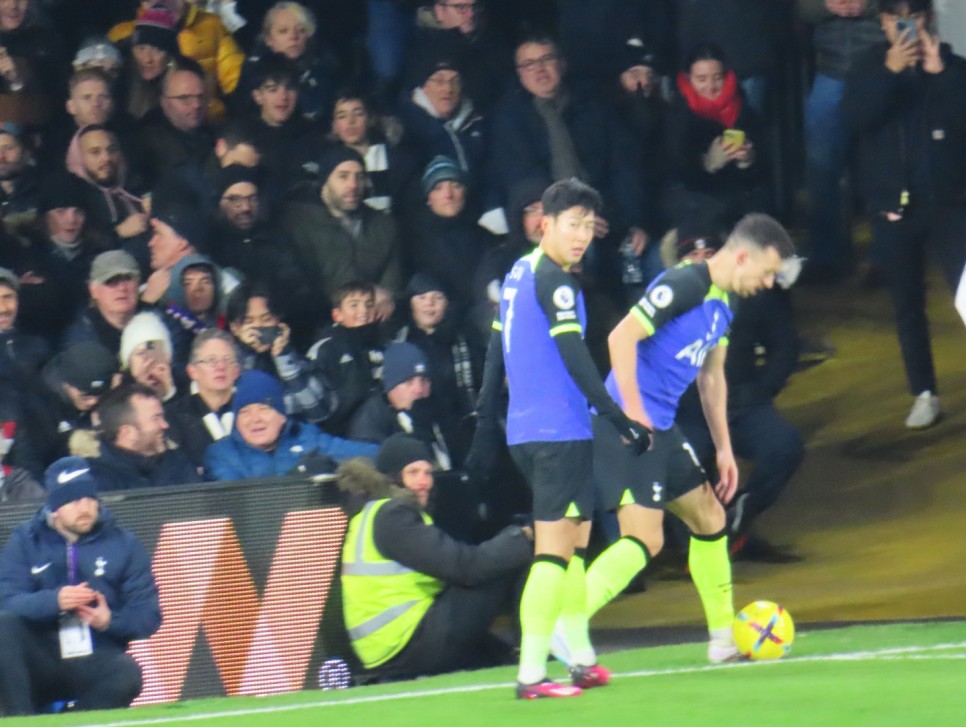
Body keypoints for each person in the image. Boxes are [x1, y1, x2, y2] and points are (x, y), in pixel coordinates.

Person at [553, 213, 797, 667]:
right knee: (646, 539)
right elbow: (620, 336)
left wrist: (724, 447)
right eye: (766, 272)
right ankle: (566, 622)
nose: (767, 283)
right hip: (626, 424)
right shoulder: (685, 284)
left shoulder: (726, 302)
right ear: (742, 255)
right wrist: (634, 415)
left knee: (709, 519)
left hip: (659, 427)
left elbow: (711, 377)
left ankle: (723, 641)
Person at [473, 178, 648, 698]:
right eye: (572, 225)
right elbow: (574, 357)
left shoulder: (515, 274)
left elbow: (494, 350)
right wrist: (619, 418)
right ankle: (530, 673)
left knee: (572, 545)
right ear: (544, 224)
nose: (581, 238)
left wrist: (485, 413)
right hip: (559, 432)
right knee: (553, 552)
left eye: (588, 228)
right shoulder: (557, 282)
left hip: (528, 432)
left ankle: (582, 658)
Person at [841, 0, 966, 429]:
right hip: (893, 207)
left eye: (916, 17)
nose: (909, 27)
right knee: (907, 304)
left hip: (951, 205)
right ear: (883, 23)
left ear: (929, 20)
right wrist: (889, 72)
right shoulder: (867, 68)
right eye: (899, 19)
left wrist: (942, 75)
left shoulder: (953, 68)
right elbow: (855, 120)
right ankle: (924, 391)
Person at [339, 434, 532, 680]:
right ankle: (533, 648)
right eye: (414, 472)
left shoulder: (373, 514)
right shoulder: (393, 516)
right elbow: (466, 567)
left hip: (388, 646)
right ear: (392, 477)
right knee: (508, 558)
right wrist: (522, 538)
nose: (424, 482)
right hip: (405, 644)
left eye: (428, 473)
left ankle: (510, 655)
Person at [0, 456, 161, 715]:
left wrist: (110, 621)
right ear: (54, 508)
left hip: (94, 654)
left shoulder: (124, 544)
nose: (85, 507)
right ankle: (20, 722)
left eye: (89, 499)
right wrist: (54, 601)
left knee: (128, 672)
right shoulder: (25, 540)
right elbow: (6, 599)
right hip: (38, 656)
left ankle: (72, 722)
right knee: (3, 626)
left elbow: (148, 616)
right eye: (74, 501)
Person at [797, 0, 884, 282]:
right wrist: (827, 5)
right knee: (821, 168)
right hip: (830, 71)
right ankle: (827, 255)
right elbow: (799, 8)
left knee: (883, 166)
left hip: (882, 67)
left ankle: (884, 256)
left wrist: (868, 4)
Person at [280, 145, 403, 320]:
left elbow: (393, 280)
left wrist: (387, 294)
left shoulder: (384, 225)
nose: (353, 185)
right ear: (325, 180)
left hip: (371, 321)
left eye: (359, 177)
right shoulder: (295, 221)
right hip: (315, 322)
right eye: (343, 177)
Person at [664, 43, 770, 231]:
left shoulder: (745, 110)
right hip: (695, 205)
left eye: (717, 78)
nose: (711, 87)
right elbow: (672, 172)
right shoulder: (676, 116)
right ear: (689, 79)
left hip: (739, 202)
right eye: (701, 79)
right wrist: (706, 163)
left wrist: (748, 161)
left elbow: (764, 172)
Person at [204, 369, 377, 481]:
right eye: (245, 412)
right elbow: (239, 502)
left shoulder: (306, 437)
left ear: (282, 416)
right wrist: (296, 478)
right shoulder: (222, 454)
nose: (255, 419)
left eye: (264, 409)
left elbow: (366, 454)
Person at [349, 341, 455, 470]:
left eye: (424, 380)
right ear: (390, 387)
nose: (419, 389)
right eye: (408, 382)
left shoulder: (440, 411)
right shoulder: (371, 420)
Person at [305, 280, 384, 437]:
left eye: (368, 305)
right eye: (354, 305)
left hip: (380, 432)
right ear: (337, 314)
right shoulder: (325, 350)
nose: (363, 311)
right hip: (339, 438)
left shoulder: (382, 348)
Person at [88, 382, 200, 490]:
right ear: (127, 432)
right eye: (156, 418)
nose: (165, 425)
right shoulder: (95, 476)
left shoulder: (179, 464)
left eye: (162, 417)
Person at [165, 329, 241, 470]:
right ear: (192, 371)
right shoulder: (172, 416)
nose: (220, 367)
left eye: (227, 360)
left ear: (237, 371)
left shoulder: (249, 411)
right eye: (211, 361)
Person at [62, 250, 141, 356]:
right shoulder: (82, 340)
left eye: (127, 279)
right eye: (111, 281)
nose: (122, 288)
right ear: (93, 290)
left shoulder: (157, 318)